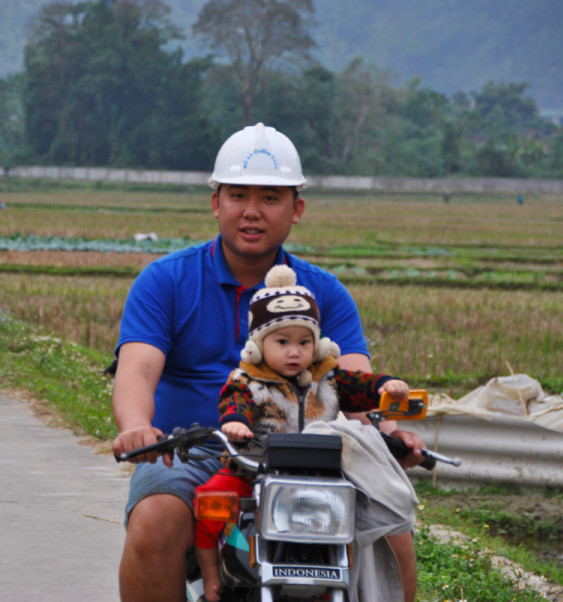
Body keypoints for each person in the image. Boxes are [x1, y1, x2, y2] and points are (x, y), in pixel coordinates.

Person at [110, 122, 426, 602]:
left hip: (305, 457)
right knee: (156, 516)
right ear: (216, 203)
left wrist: (385, 433)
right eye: (238, 195)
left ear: (296, 209)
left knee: (392, 528)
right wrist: (137, 426)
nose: (251, 212)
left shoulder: (326, 292)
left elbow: (354, 386)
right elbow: (137, 370)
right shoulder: (165, 282)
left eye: (270, 198)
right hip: (192, 452)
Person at [193, 264, 413, 601]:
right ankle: (212, 575)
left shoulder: (329, 379)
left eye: (304, 341)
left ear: (318, 344)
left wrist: (385, 385)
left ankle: (335, 583)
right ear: (258, 345)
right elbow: (232, 403)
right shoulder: (246, 382)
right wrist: (236, 423)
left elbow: (363, 387)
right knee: (210, 500)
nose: (294, 351)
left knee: (351, 524)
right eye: (282, 341)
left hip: (318, 479)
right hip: (253, 470)